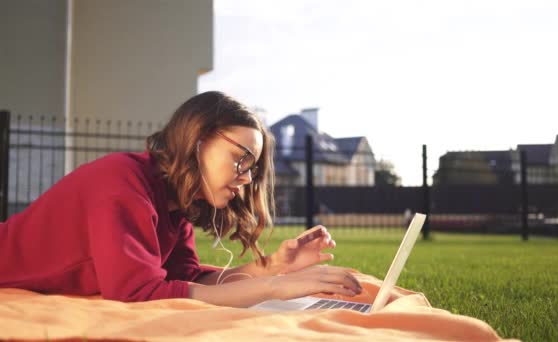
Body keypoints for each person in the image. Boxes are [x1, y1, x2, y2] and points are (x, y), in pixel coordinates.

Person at [0, 91, 362, 307]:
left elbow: (186, 279)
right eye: (241, 160)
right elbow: (139, 293)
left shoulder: (174, 207)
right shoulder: (120, 182)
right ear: (198, 141)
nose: (247, 178)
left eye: (252, 168)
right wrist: (276, 287)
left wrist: (274, 266)